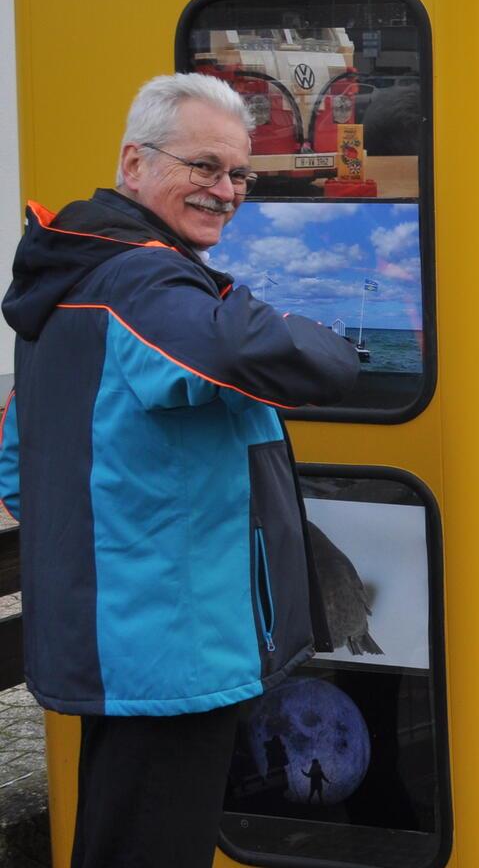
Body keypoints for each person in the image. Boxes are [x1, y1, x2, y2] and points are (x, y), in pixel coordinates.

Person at [0, 73, 361, 868]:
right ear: (135, 165)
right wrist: (320, 334)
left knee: (116, 837)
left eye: (238, 174)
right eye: (202, 167)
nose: (225, 190)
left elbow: (16, 466)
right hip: (170, 640)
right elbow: (273, 356)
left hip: (116, 631)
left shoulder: (73, 272)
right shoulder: (146, 281)